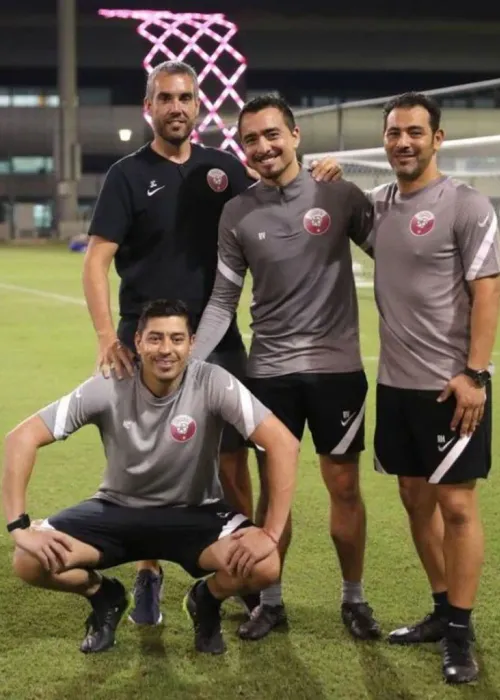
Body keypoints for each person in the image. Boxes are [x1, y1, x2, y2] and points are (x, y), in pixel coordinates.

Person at [82, 61, 339, 624]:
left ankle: (244, 579)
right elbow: (97, 263)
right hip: (145, 341)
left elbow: (279, 194)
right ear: (149, 107)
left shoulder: (224, 168)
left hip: (217, 337)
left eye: (187, 97)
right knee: (146, 465)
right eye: (166, 97)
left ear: (199, 106)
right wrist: (107, 337)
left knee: (233, 463)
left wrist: (322, 173)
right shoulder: (126, 175)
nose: (177, 107)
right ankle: (148, 573)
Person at [2, 299, 299, 656]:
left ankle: (205, 600)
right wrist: (19, 527)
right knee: (28, 561)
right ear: (138, 342)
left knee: (266, 565)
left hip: (195, 513)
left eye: (176, 339)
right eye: (155, 339)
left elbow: (283, 443)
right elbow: (21, 438)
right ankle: (105, 595)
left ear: (191, 343)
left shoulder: (212, 381)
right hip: (116, 510)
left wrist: (270, 533)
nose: (166, 350)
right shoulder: (110, 383)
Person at [192, 94, 381, 642]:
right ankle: (270, 601)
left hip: (337, 369)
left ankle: (354, 598)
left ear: (295, 135)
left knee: (343, 487)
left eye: (272, 134)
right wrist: (189, 366)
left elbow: (392, 254)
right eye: (251, 139)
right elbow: (223, 300)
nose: (263, 147)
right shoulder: (237, 212)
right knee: (277, 494)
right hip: (269, 372)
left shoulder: (339, 194)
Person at [368, 92, 500, 684]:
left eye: (415, 133)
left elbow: (489, 292)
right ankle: (443, 611)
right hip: (395, 386)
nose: (403, 142)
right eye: (395, 133)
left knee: (457, 506)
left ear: (437, 138)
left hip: (452, 389)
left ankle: (461, 636)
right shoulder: (376, 207)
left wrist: (475, 374)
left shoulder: (466, 205)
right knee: (416, 501)